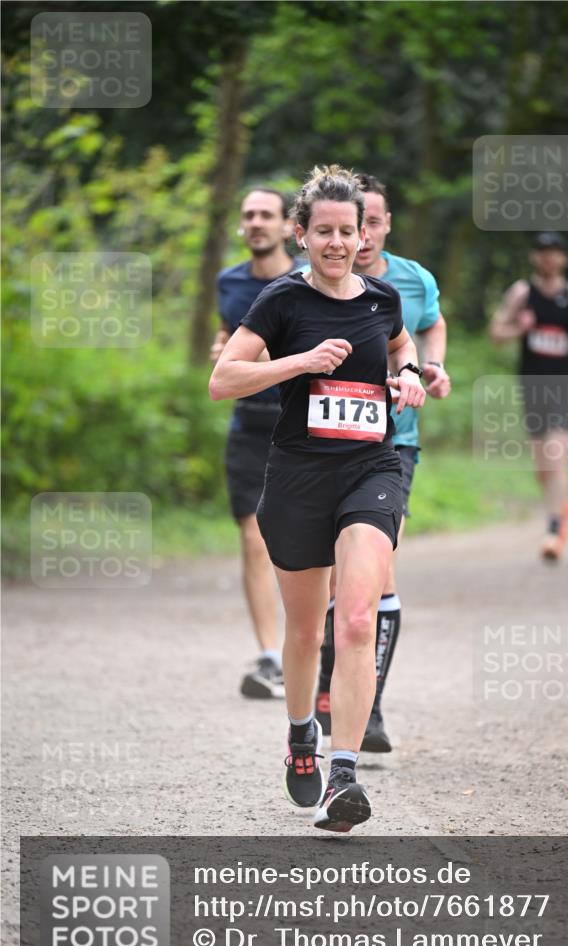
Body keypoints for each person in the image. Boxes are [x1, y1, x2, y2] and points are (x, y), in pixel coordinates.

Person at [209, 165, 426, 832]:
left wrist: (411, 374)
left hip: (370, 469)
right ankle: (301, 733)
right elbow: (223, 379)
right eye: (323, 231)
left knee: (354, 620)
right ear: (300, 234)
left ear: (365, 234)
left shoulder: (382, 299)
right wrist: (296, 363)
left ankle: (343, 777)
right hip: (299, 475)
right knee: (303, 631)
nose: (337, 242)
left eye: (348, 230)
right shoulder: (280, 300)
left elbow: (399, 344)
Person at [315, 174, 450, 753]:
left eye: (370, 223)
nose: (361, 235)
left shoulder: (413, 280)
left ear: (385, 224)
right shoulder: (319, 281)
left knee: (374, 577)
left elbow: (427, 330)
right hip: (323, 447)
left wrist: (432, 367)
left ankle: (366, 709)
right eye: (351, 225)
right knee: (332, 577)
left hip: (395, 446)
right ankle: (328, 684)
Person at [211, 188, 302, 699]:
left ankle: (307, 647)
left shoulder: (305, 283)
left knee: (307, 540)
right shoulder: (229, 281)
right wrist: (222, 350)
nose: (255, 223)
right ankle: (270, 656)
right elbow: (229, 340)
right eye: (248, 215)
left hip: (298, 421)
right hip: (248, 422)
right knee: (252, 535)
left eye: (265, 214)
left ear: (289, 225)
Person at [490, 232, 568, 559]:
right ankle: (561, 505)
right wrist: (519, 328)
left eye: (555, 252)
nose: (549, 258)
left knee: (557, 455)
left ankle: (554, 530)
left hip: (566, 384)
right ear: (535, 258)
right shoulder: (522, 293)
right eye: (543, 252)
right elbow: (496, 333)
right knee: (543, 466)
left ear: (564, 259)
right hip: (532, 384)